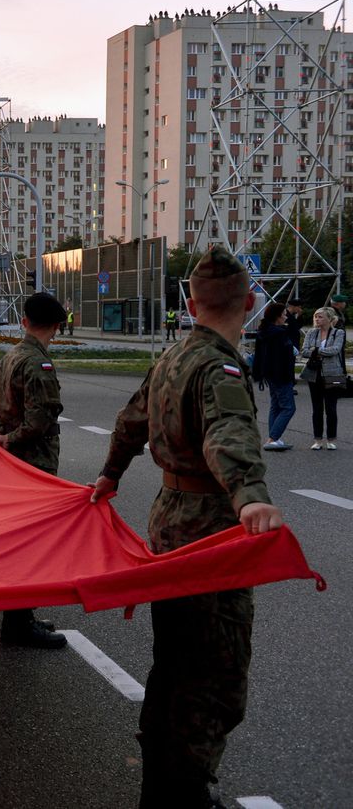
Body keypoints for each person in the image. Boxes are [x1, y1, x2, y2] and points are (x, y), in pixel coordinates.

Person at [90, 247, 283, 808]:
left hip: (170, 520)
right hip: (210, 537)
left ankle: (162, 785)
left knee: (175, 660)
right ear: (248, 304)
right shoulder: (218, 365)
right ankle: (188, 793)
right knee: (215, 674)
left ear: (192, 304)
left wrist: (109, 475)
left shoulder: (173, 357)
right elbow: (227, 433)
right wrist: (250, 497)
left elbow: (130, 420)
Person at [0, 293, 69, 650]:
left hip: (14, 460)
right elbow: (38, 420)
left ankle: (20, 616)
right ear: (56, 326)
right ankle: (18, 624)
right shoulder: (37, 363)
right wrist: (11, 438)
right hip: (34, 460)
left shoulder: (12, 356)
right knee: (29, 544)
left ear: (24, 321)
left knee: (18, 539)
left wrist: (0, 437)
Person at [251, 302, 297, 451]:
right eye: (284, 314)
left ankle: (273, 438)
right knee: (289, 408)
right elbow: (282, 357)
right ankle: (272, 438)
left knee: (276, 406)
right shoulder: (279, 333)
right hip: (281, 374)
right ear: (277, 316)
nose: (286, 317)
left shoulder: (263, 331)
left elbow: (260, 355)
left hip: (269, 373)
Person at [298, 306, 345, 450]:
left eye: (320, 317)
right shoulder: (311, 333)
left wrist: (316, 351)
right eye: (316, 317)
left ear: (329, 319)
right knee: (316, 409)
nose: (317, 319)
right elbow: (304, 351)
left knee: (331, 408)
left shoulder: (338, 332)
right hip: (314, 374)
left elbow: (335, 350)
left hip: (332, 374)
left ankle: (331, 439)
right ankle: (317, 440)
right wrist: (316, 352)